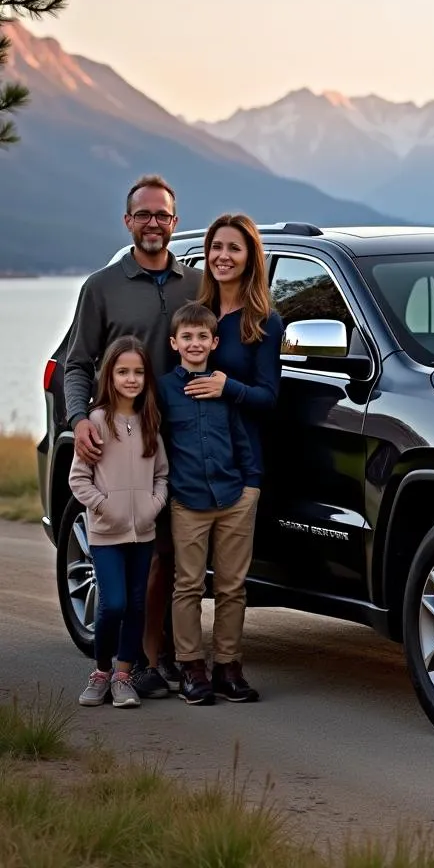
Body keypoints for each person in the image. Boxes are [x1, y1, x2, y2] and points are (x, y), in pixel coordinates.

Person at [64, 175, 202, 698]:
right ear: (128, 222)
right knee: (140, 552)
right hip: (123, 441)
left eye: (162, 216)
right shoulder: (101, 287)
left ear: (175, 221)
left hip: (183, 440)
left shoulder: (194, 284)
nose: (153, 224)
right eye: (143, 215)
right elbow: (78, 363)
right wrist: (80, 422)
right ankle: (139, 663)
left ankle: (163, 654)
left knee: (168, 552)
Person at [158, 302, 261, 705]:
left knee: (233, 586)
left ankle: (228, 667)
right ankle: (191, 666)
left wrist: (251, 485)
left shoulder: (224, 384)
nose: (195, 343)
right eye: (188, 337)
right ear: (174, 343)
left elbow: (241, 437)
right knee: (188, 585)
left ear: (214, 342)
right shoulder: (165, 389)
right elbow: (158, 442)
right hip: (189, 501)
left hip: (234, 495)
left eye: (203, 336)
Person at [69, 337, 169, 709]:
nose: (131, 379)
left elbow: (162, 475)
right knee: (114, 604)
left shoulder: (149, 421)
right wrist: (104, 508)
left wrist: (151, 507)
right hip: (106, 533)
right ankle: (100, 672)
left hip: (143, 532)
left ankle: (124, 676)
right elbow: (78, 479)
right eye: (123, 371)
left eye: (138, 372)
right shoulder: (96, 421)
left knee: (137, 605)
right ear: (108, 375)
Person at [184, 212, 283, 486]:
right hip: (187, 464)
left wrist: (227, 387)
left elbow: (268, 397)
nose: (223, 256)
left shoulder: (264, 321)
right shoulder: (193, 315)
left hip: (237, 465)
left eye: (234, 248)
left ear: (250, 258)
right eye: (216, 247)